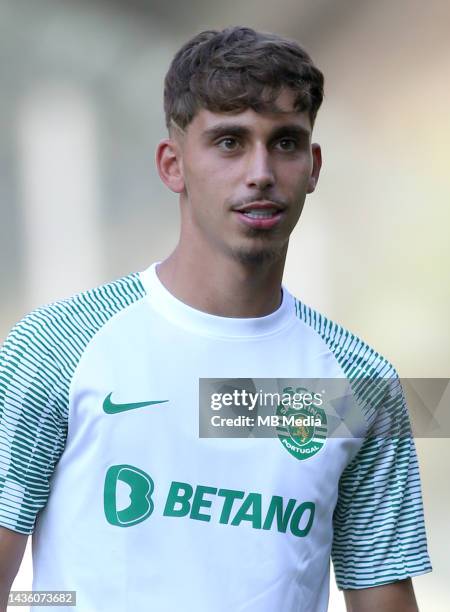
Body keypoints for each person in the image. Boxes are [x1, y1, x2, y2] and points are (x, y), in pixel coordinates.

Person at [0, 26, 431, 612]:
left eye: (285, 143)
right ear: (172, 165)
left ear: (313, 166)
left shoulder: (356, 383)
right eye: (230, 142)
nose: (260, 172)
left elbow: (382, 597)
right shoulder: (54, 347)